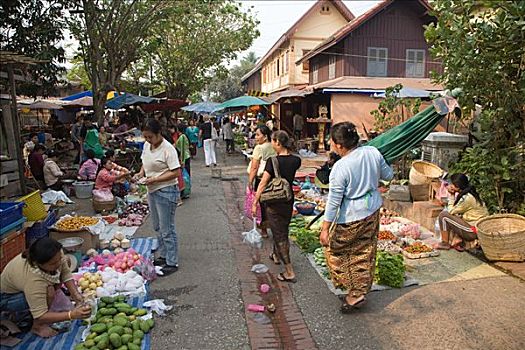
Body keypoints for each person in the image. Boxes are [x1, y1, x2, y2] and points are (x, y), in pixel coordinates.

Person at [319, 122, 393, 313]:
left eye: (332, 141)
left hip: (352, 215)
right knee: (365, 251)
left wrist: (325, 228)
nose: (330, 144)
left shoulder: (341, 167)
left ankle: (353, 291)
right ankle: (359, 292)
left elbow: (334, 201)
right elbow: (389, 174)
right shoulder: (373, 152)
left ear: (339, 145)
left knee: (335, 250)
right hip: (372, 209)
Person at [0, 237, 91, 338]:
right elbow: (40, 315)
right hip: (8, 298)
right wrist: (71, 315)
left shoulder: (56, 253)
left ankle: (48, 304)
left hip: (30, 287)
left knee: (66, 260)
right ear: (39, 264)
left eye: (59, 259)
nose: (59, 263)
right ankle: (37, 326)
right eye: (53, 263)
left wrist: (76, 295)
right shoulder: (34, 280)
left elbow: (65, 273)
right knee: (49, 291)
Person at [252, 131, 301, 283]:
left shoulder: (272, 161)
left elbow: (263, 183)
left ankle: (289, 271)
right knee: (281, 229)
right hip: (288, 200)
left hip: (274, 202)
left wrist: (255, 202)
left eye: (273, 142)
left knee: (280, 235)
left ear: (278, 143)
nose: (272, 145)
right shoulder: (296, 160)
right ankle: (275, 255)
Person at [134, 119, 181, 276]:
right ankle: (163, 254)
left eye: (150, 137)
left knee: (167, 228)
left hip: (166, 191)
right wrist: (141, 174)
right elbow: (144, 161)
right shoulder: (148, 145)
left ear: (158, 133)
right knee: (157, 226)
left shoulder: (168, 149)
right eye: (145, 137)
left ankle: (172, 262)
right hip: (152, 190)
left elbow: (175, 172)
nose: (147, 140)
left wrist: (155, 179)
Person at [437, 173, 489, 251]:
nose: (450, 186)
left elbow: (451, 211)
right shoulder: (470, 194)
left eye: (452, 184)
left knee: (443, 216)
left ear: (457, 186)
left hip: (474, 230)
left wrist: (451, 195)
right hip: (478, 228)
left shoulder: (467, 198)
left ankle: (445, 243)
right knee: (456, 217)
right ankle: (459, 242)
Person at [248, 125, 276, 238]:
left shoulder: (259, 148)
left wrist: (250, 181)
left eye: (258, 135)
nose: (256, 137)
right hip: (273, 178)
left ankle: (264, 230)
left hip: (261, 179)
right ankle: (274, 227)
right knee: (273, 203)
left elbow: (254, 167)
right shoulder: (274, 145)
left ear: (265, 137)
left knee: (261, 204)